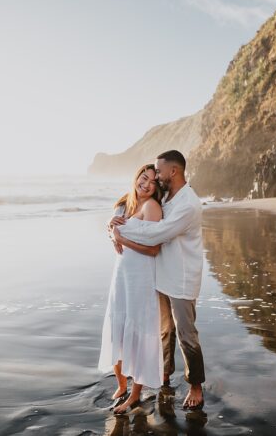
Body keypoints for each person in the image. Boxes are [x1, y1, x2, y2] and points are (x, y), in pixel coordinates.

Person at [110, 149, 206, 411]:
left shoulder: (188, 204)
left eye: (159, 172)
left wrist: (120, 235)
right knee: (165, 331)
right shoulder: (167, 197)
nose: (156, 177)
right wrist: (114, 225)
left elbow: (156, 235)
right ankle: (165, 374)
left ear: (173, 172)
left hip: (182, 277)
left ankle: (195, 386)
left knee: (186, 333)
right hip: (160, 274)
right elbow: (134, 208)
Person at [98, 164, 164, 414]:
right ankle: (121, 384)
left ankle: (135, 396)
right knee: (118, 330)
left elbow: (154, 249)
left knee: (138, 333)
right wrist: (110, 229)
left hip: (141, 278)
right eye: (143, 178)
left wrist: (121, 238)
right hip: (121, 276)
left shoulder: (152, 207)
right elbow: (112, 231)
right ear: (136, 177)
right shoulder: (124, 203)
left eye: (152, 183)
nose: (146, 185)